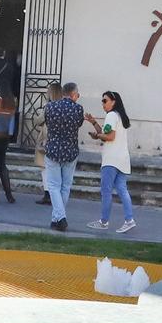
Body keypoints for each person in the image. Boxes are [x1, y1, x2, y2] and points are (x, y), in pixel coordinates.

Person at [88, 90, 136, 233]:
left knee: (106, 191)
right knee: (122, 189)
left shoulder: (111, 115)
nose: (102, 103)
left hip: (111, 160)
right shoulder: (120, 116)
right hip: (122, 159)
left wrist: (97, 135)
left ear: (113, 102)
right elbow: (105, 133)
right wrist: (94, 124)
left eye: (105, 100)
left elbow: (110, 137)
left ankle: (104, 221)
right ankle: (129, 220)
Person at [41, 81, 85, 232]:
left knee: (53, 185)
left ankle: (58, 217)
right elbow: (78, 125)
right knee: (65, 186)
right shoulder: (78, 109)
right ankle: (59, 217)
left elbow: (45, 122)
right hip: (70, 151)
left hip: (53, 149)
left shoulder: (50, 107)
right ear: (73, 94)